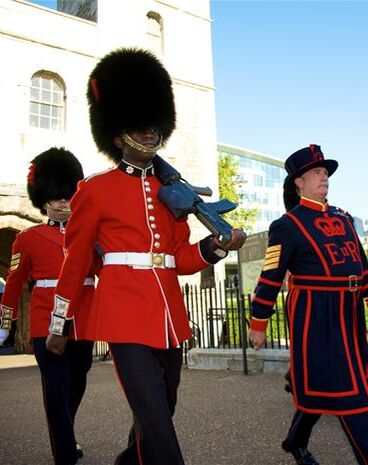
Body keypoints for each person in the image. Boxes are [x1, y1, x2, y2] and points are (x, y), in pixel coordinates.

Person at [45, 48, 246, 465]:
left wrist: (215, 247)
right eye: (140, 125)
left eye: (154, 124)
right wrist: (59, 321)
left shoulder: (171, 192)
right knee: (156, 420)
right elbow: (76, 261)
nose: (151, 132)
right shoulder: (94, 190)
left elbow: (178, 260)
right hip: (122, 314)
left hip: (168, 315)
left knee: (160, 411)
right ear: (119, 136)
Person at [249, 145, 368, 465]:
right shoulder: (286, 225)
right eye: (316, 172)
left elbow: (362, 264)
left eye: (325, 172)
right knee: (347, 394)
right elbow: (270, 276)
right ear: (298, 182)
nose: (324, 176)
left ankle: (295, 441)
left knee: (321, 382)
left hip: (348, 312)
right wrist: (258, 322)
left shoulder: (344, 218)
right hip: (314, 315)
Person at [0, 147, 96, 465]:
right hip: (46, 320)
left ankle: (65, 431)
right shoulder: (28, 238)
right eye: (57, 198)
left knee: (78, 378)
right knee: (55, 386)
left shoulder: (91, 234)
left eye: (68, 196)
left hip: (83, 317)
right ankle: (65, 452)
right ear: (45, 201)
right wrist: (6, 317)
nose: (64, 202)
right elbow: (14, 280)